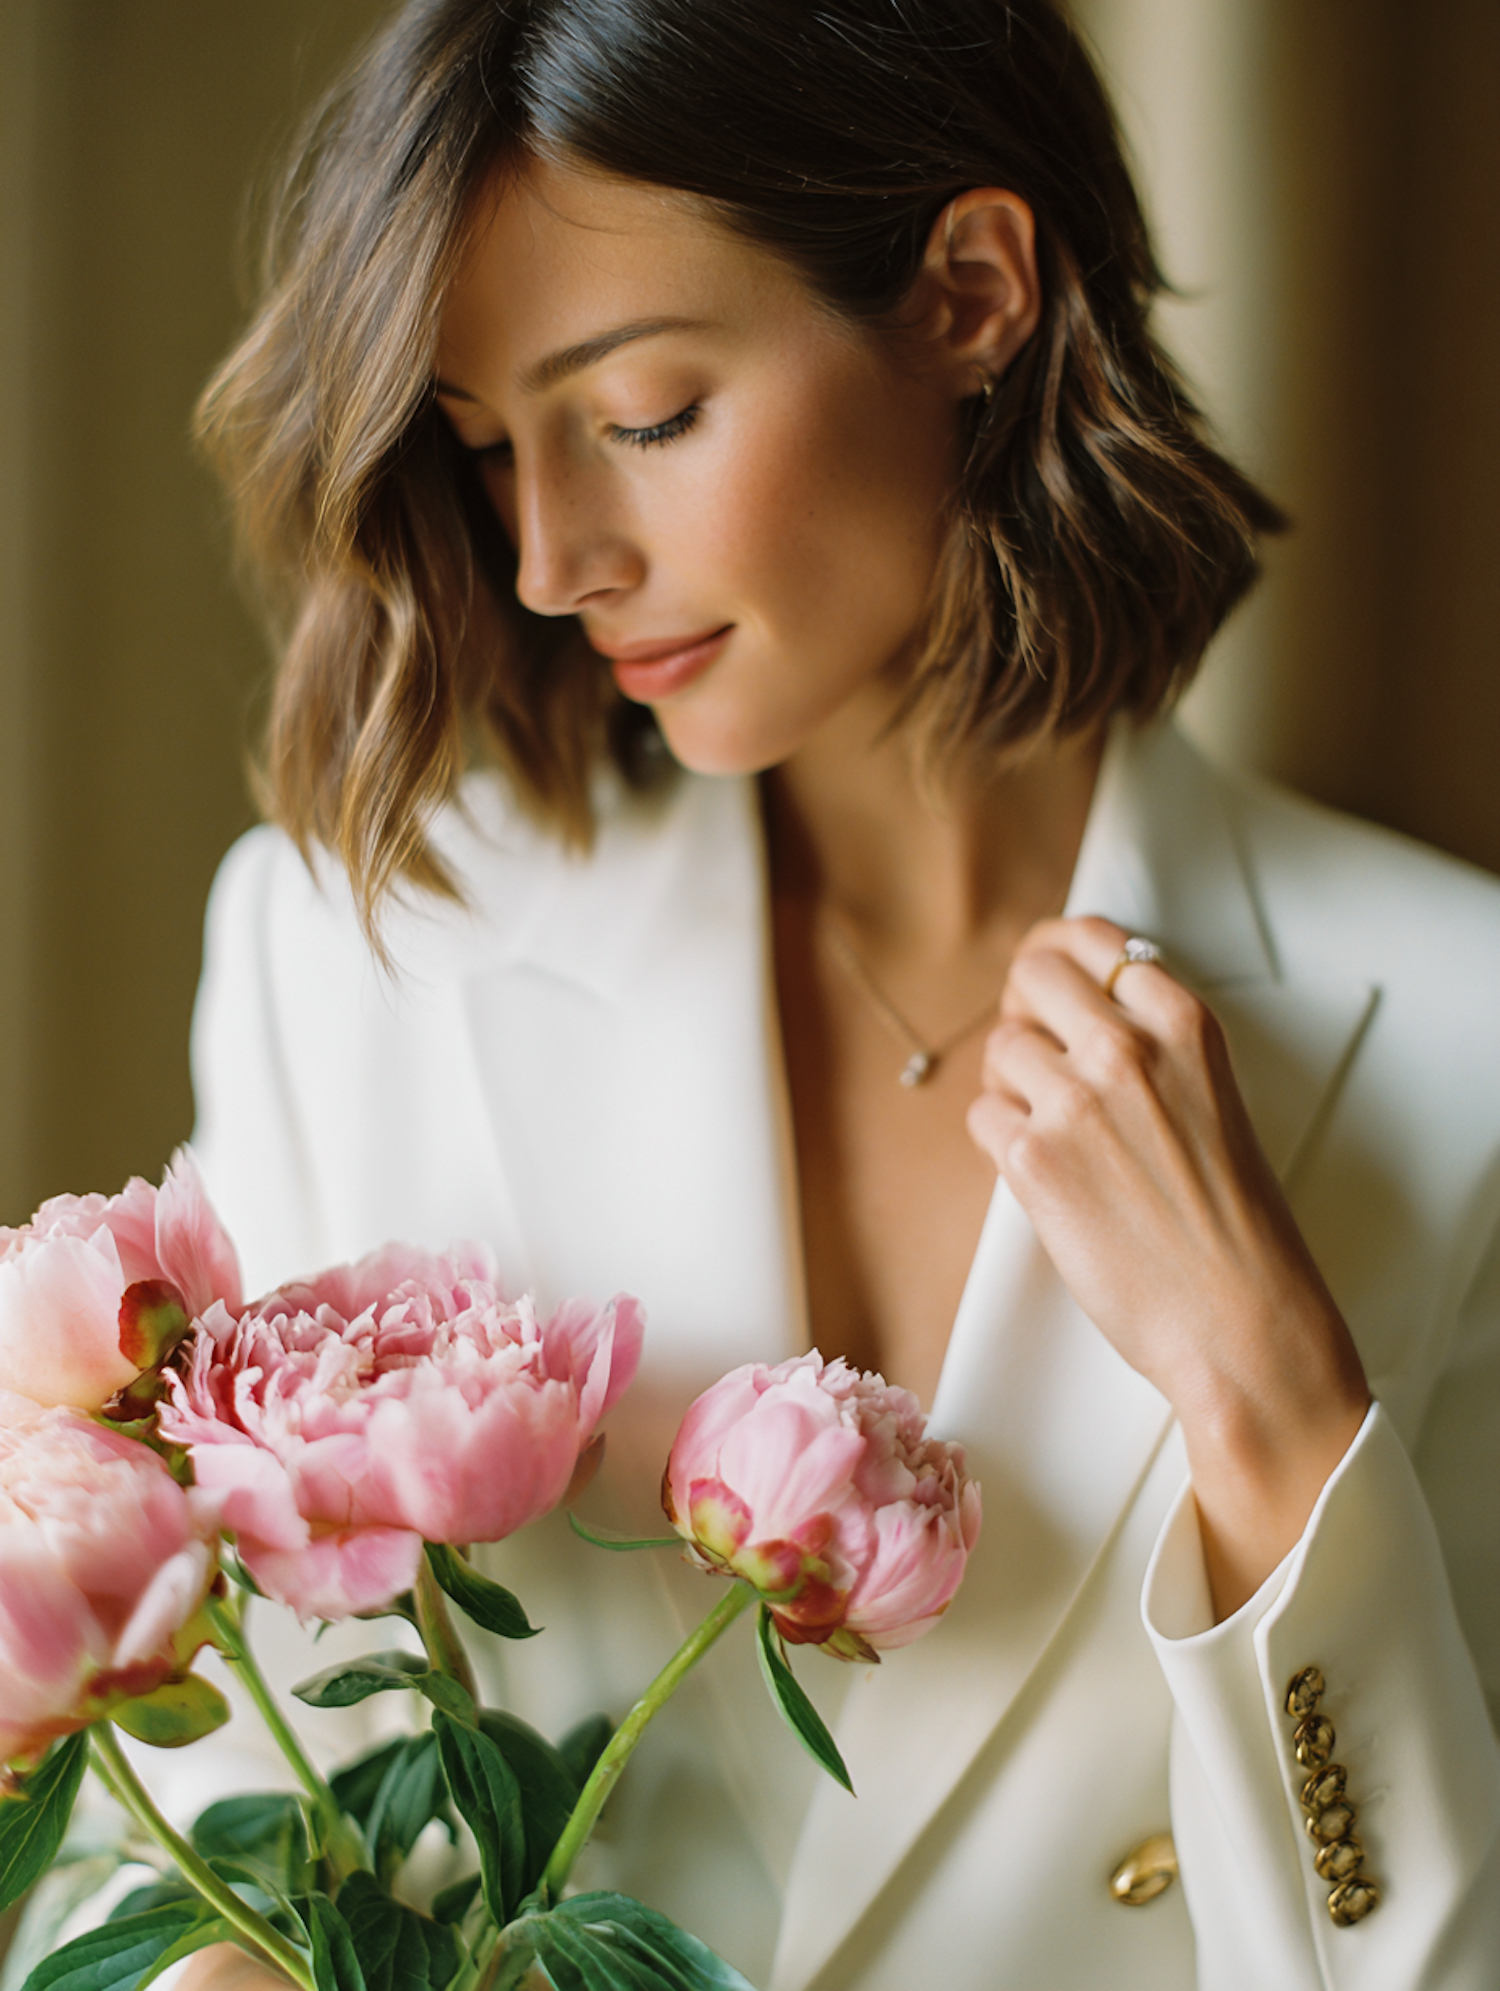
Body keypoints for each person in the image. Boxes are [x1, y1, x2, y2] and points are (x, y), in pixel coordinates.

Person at [170, 1, 1499, 1985]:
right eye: (482, 447)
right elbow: (202, 1833)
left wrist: (1276, 1405)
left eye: (636, 417)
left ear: (970, 291)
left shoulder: (1458, 1031)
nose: (547, 560)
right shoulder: (358, 958)